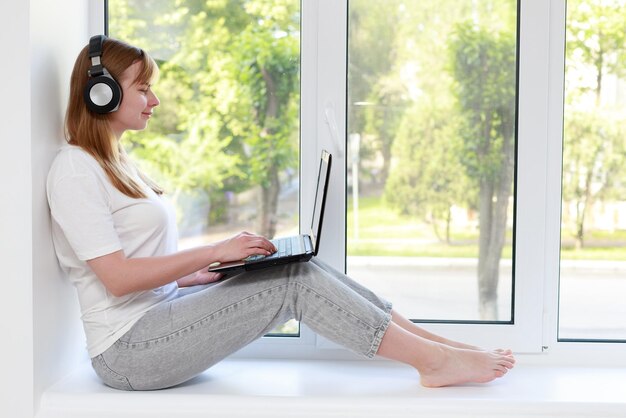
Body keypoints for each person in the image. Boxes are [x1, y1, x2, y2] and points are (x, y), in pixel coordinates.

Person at [47, 36, 515, 391]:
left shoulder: (116, 161)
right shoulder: (74, 170)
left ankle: (436, 347)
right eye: (143, 89)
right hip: (128, 351)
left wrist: (202, 273)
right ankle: (432, 363)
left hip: (159, 316)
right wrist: (212, 249)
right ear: (101, 95)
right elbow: (117, 279)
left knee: (297, 263)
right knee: (292, 285)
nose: (154, 101)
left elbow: (136, 262)